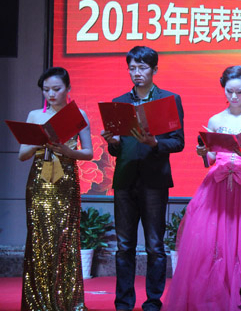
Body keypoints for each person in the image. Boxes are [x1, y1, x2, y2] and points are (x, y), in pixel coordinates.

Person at [163, 65, 241, 311]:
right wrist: (203, 152)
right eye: (229, 91)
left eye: (239, 91)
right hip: (217, 186)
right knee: (211, 245)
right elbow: (211, 158)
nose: (234, 96)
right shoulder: (216, 120)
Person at [101, 46, 185, 311]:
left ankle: (152, 302)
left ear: (154, 69)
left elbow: (178, 142)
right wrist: (113, 142)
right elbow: (116, 150)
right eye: (132, 68)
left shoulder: (169, 100)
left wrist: (155, 143)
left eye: (142, 67)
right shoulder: (119, 102)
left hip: (154, 180)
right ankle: (123, 303)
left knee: (155, 246)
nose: (136, 73)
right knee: (124, 246)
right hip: (125, 180)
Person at [18, 67, 93, 311]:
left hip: (65, 182)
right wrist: (38, 142)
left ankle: (66, 301)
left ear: (68, 88)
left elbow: (89, 153)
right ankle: (38, 302)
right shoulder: (34, 115)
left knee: (64, 238)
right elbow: (22, 155)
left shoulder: (78, 114)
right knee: (38, 238)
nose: (51, 94)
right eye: (46, 90)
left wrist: (69, 151)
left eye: (56, 89)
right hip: (39, 183)